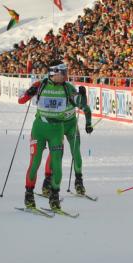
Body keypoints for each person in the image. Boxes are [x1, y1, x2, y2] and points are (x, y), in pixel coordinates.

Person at [18, 60, 92, 210]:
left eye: (66, 71)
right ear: (53, 72)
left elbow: (81, 104)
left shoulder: (67, 88)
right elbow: (21, 101)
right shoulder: (41, 85)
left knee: (57, 164)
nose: (66, 75)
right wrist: (28, 93)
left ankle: (54, 197)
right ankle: (29, 195)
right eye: (62, 72)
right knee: (35, 162)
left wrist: (82, 97)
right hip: (39, 128)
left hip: (57, 129)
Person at [41, 72, 93, 197]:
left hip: (71, 126)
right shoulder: (52, 90)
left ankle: (79, 182)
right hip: (57, 126)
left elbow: (85, 108)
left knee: (76, 152)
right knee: (56, 154)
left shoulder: (69, 88)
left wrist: (88, 124)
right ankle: (47, 182)